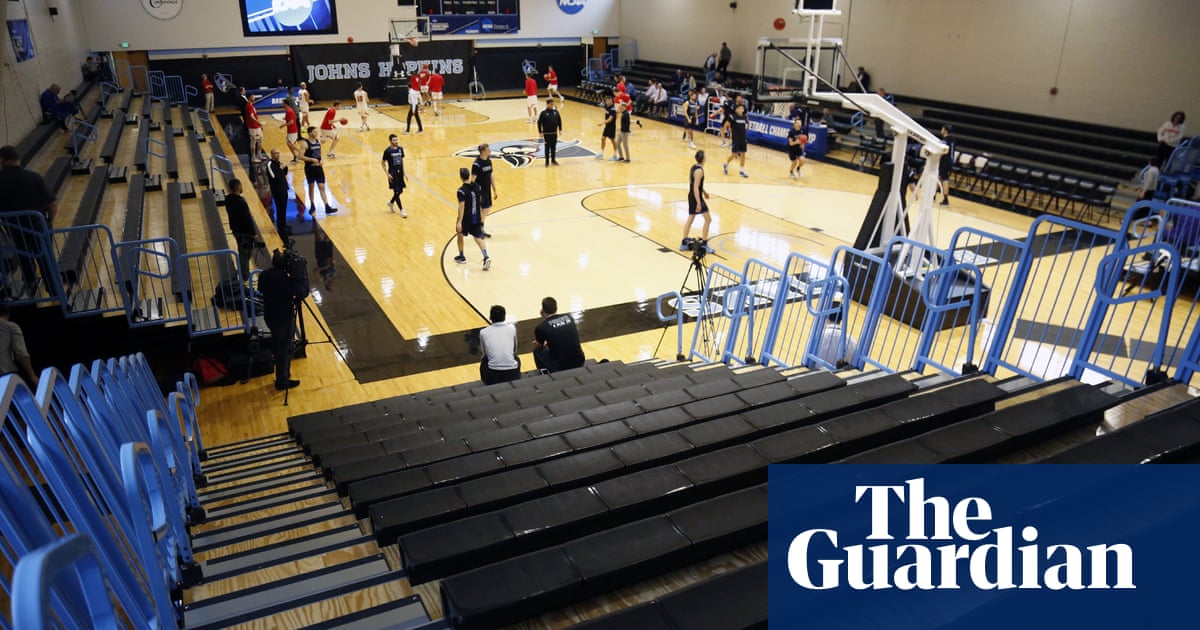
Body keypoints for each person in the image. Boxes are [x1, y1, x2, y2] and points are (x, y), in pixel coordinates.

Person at [0, 145, 58, 296]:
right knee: (46, 259)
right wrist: (49, 221)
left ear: (2, 160)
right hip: (38, 227)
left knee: (24, 258)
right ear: (18, 159)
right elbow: (51, 204)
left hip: (14, 229)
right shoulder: (33, 177)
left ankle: (31, 286)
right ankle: (54, 290)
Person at [258, 250, 308, 390]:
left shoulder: (264, 275)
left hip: (270, 315)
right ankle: (282, 381)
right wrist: (302, 275)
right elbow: (303, 292)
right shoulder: (285, 280)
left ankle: (283, 376)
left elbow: (261, 289)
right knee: (283, 349)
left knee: (281, 346)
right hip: (283, 318)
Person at [532, 296, 585, 373]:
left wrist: (537, 344)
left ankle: (545, 372)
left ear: (542, 310)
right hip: (579, 360)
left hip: (561, 366)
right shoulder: (569, 317)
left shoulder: (541, 327)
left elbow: (540, 346)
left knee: (537, 350)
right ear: (556, 308)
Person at [454, 167, 490, 270]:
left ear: (461, 177)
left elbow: (462, 206)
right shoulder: (477, 186)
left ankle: (462, 256)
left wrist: (459, 221)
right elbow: (480, 199)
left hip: (466, 218)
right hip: (476, 217)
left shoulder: (461, 191)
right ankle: (486, 256)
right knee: (478, 237)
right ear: (469, 175)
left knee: (459, 234)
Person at [223, 178, 258, 280]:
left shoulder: (228, 199)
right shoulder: (240, 202)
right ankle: (245, 276)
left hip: (236, 230)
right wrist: (254, 233)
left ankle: (243, 272)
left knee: (242, 251)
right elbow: (247, 219)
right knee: (245, 253)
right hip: (244, 232)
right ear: (238, 187)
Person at [300, 126, 338, 215]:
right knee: (311, 187)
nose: (316, 133)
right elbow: (300, 156)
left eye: (316, 132)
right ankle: (312, 205)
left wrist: (321, 160)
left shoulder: (318, 142)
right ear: (309, 133)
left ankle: (327, 206)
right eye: (314, 132)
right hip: (310, 168)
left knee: (322, 187)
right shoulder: (305, 143)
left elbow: (319, 154)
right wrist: (312, 160)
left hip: (318, 168)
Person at [479, 304, 520, 384]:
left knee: (484, 360)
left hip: (494, 374)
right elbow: (515, 351)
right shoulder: (512, 329)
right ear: (504, 317)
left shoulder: (483, 332)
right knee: (516, 358)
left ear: (490, 317)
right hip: (513, 373)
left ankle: (486, 383)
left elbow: (484, 354)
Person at [0, 305, 38, 387]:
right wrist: (32, 376)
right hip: (5, 374)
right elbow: (21, 353)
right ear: (8, 314)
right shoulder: (11, 327)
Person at [682, 150, 711, 249]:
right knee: (708, 219)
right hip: (695, 196)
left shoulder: (694, 167)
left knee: (691, 218)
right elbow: (695, 187)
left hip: (692, 195)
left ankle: (684, 242)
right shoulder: (699, 171)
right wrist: (699, 203)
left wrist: (704, 192)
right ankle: (704, 243)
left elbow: (697, 185)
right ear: (703, 158)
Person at [471, 144, 498, 238]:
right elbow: (473, 179)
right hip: (480, 190)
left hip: (487, 189)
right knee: (485, 209)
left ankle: (479, 228)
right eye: (488, 149)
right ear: (483, 151)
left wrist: (495, 190)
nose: (490, 151)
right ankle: (479, 229)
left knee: (486, 209)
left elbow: (491, 176)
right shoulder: (477, 164)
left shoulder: (489, 161)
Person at [265, 149, 292, 235]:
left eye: (278, 153)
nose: (277, 155)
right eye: (276, 153)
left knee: (284, 208)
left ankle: (284, 225)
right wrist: (280, 169)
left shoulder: (278, 163)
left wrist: (285, 168)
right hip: (277, 190)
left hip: (283, 188)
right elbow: (274, 177)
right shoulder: (270, 165)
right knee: (280, 208)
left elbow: (284, 174)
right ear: (271, 154)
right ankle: (281, 227)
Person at [381, 134, 408, 217]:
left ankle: (391, 202)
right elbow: (382, 163)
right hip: (392, 174)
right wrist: (387, 174)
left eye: (397, 140)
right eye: (394, 140)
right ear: (390, 141)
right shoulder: (387, 151)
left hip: (400, 174)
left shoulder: (400, 149)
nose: (396, 142)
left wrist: (404, 173)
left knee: (400, 191)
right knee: (396, 191)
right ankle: (402, 210)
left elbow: (401, 161)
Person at [723, 103, 749, 178]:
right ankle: (726, 164)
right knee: (734, 154)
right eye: (740, 108)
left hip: (743, 138)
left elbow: (747, 125)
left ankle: (742, 170)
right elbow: (726, 126)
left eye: (742, 108)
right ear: (736, 109)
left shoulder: (744, 117)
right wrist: (727, 135)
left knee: (743, 154)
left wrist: (747, 126)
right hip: (736, 138)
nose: (742, 110)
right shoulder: (732, 117)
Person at [537, 98, 563, 167]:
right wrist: (540, 132)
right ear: (547, 104)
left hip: (554, 133)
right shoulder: (543, 113)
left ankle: (553, 160)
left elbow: (559, 120)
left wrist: (560, 129)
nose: (552, 105)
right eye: (551, 104)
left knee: (553, 148)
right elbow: (539, 122)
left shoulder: (556, 112)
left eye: (553, 104)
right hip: (547, 134)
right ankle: (547, 162)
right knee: (547, 148)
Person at [312, 220, 335, 290]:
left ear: (327, 285)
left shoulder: (322, 279)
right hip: (328, 254)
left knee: (317, 234)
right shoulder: (332, 275)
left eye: (331, 286)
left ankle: (313, 218)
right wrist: (333, 262)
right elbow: (332, 265)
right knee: (327, 235)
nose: (333, 284)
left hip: (320, 255)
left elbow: (315, 271)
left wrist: (325, 267)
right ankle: (327, 221)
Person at [938, 124, 956, 205]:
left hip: (945, 162)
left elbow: (942, 152)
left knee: (944, 180)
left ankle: (946, 200)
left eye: (942, 129)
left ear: (945, 130)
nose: (941, 130)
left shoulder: (945, 140)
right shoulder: (953, 140)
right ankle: (933, 196)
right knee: (939, 178)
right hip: (950, 161)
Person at [244, 96, 265, 162]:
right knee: (253, 141)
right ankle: (253, 157)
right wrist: (259, 122)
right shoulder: (249, 106)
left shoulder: (252, 105)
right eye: (253, 97)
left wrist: (259, 125)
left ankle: (259, 154)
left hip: (256, 126)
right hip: (252, 127)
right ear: (249, 98)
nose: (254, 98)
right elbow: (252, 116)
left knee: (260, 139)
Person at [597, 94, 617, 159]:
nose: (609, 101)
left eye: (610, 100)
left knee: (612, 141)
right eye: (607, 100)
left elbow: (610, 119)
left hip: (611, 127)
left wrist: (602, 123)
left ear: (612, 101)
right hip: (607, 126)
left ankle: (615, 155)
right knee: (603, 138)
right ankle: (601, 153)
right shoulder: (607, 106)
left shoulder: (613, 109)